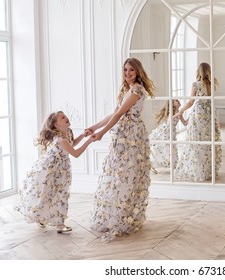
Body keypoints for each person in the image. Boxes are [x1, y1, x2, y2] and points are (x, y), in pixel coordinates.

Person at [88, 57, 156, 242]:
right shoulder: (128, 89)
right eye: (125, 70)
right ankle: (118, 213)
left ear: (138, 72)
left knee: (127, 173)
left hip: (131, 136)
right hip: (124, 135)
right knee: (120, 173)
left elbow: (119, 114)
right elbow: (115, 112)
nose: (128, 74)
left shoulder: (136, 90)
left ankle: (123, 214)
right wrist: (94, 127)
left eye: (131, 70)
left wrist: (101, 133)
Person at [15, 111, 93, 233]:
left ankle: (58, 223)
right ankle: (50, 220)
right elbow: (75, 153)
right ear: (56, 124)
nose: (66, 118)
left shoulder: (68, 132)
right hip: (50, 169)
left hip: (61, 169)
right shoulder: (60, 139)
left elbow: (72, 143)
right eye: (63, 118)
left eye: (66, 116)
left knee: (61, 194)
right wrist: (89, 141)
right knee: (47, 194)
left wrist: (83, 135)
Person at [174, 62, 222, 182]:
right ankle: (207, 170)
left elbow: (191, 102)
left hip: (199, 115)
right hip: (209, 114)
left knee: (196, 141)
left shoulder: (196, 85)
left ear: (198, 71)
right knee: (208, 141)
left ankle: (198, 169)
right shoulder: (212, 84)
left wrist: (181, 110)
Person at [149, 99, 188, 173]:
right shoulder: (172, 112)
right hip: (165, 131)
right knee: (162, 148)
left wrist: (192, 117)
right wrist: (178, 114)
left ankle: (170, 164)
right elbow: (169, 120)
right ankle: (152, 163)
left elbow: (185, 123)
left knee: (169, 149)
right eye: (176, 101)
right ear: (172, 104)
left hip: (172, 132)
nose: (179, 101)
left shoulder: (178, 112)